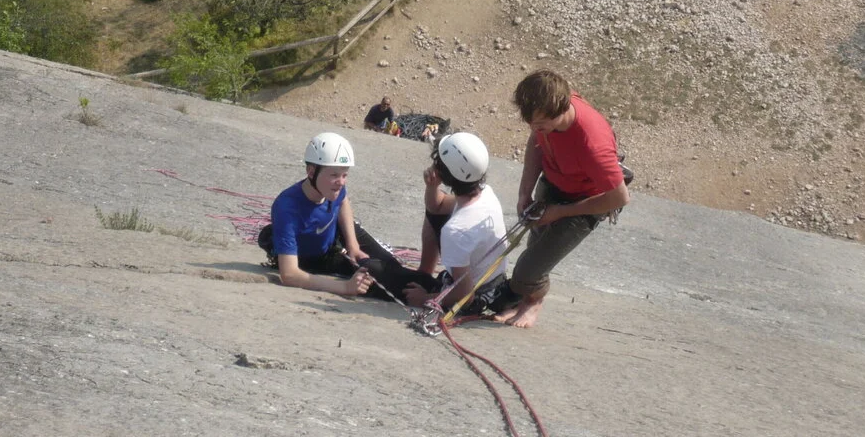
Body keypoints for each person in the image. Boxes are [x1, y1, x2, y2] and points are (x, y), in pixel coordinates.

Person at [494, 70, 630, 328]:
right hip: (554, 183)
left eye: (540, 124)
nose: (535, 130)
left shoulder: (592, 143)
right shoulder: (547, 112)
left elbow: (620, 197)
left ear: (560, 110)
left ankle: (534, 302)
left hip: (585, 203)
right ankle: (527, 300)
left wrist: (558, 212)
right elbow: (536, 139)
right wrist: (525, 192)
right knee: (533, 255)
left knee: (527, 271)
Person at [261, 132, 413, 299]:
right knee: (376, 272)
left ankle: (435, 288)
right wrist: (345, 287)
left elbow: (343, 201)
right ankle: (424, 298)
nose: (341, 182)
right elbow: (289, 274)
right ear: (311, 172)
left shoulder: (333, 188)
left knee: (391, 265)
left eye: (344, 175)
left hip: (335, 235)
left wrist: (353, 245)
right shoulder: (287, 207)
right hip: (315, 258)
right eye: (334, 175)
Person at [401, 132, 515, 315]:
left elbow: (466, 295)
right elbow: (436, 207)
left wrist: (424, 299)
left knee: (381, 272)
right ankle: (424, 271)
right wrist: (432, 187)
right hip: (493, 283)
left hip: (476, 295)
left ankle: (423, 276)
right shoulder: (485, 193)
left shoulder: (455, 230)